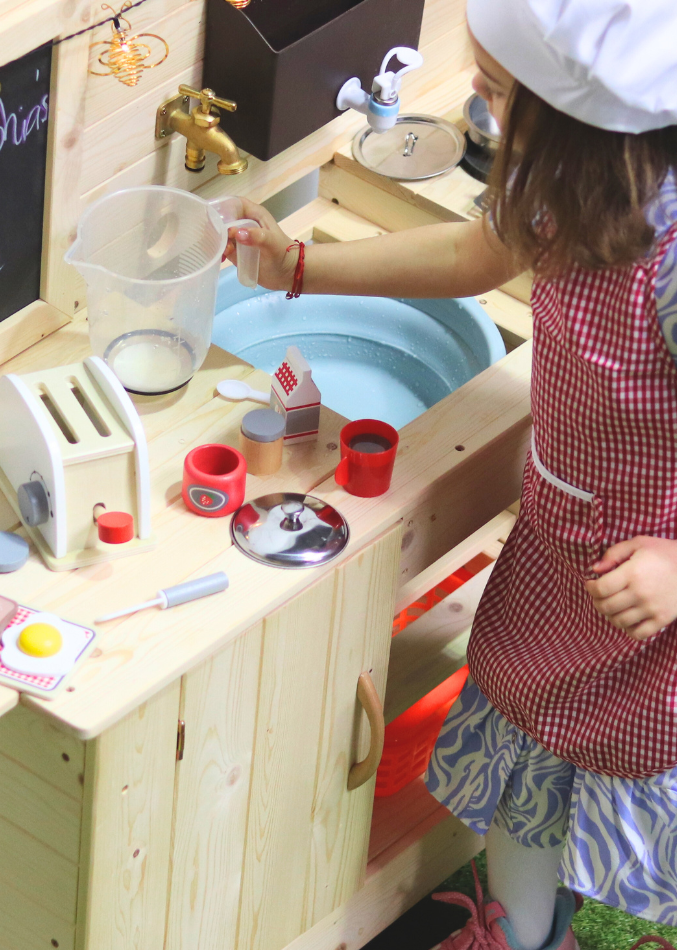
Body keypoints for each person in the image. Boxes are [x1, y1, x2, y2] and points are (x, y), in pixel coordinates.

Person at [224, 2, 677, 949]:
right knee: (532, 765)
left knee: (627, 771)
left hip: (651, 591)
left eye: (499, 88)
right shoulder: (574, 189)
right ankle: (518, 932)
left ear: (580, 124)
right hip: (569, 553)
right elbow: (476, 253)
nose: (475, 96)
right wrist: (298, 264)